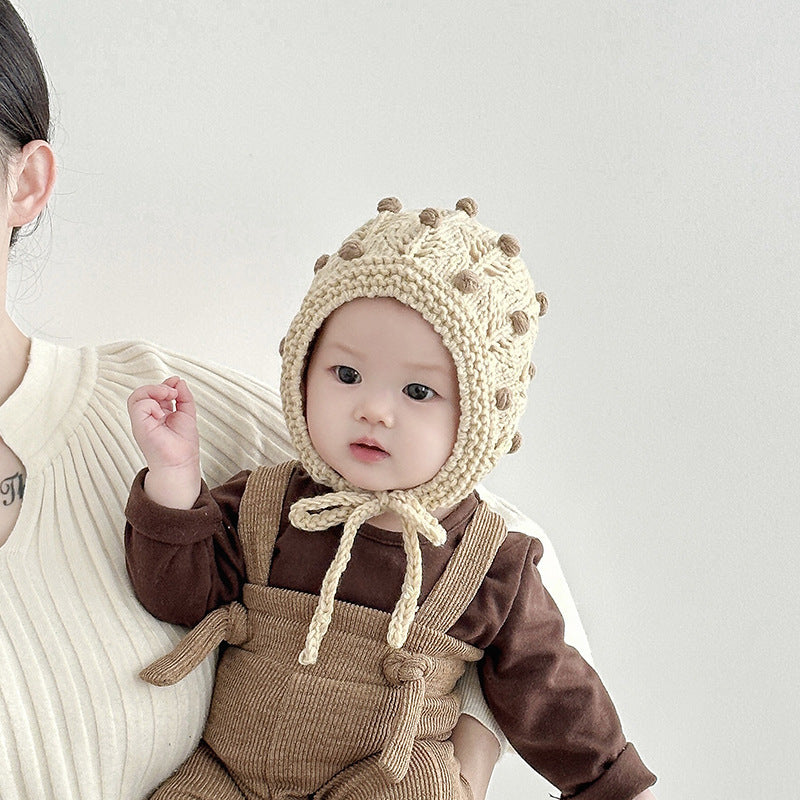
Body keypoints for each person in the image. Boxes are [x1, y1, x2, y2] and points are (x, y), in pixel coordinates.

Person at [0, 3, 595, 798]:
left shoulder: (158, 415)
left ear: (25, 181)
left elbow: (500, 544)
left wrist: (458, 769)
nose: (375, 406)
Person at [125, 199, 658, 799]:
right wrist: (173, 477)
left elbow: (549, 686)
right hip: (231, 775)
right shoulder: (268, 503)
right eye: (346, 375)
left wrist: (615, 785)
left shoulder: (486, 562)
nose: (374, 409)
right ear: (303, 371)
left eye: (417, 390)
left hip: (385, 780)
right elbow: (176, 595)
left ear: (477, 420)